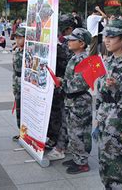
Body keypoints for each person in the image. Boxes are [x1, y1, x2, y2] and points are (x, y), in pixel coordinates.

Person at [92, 19, 122, 189]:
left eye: (111, 37)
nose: (106, 40)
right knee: (104, 165)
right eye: (105, 37)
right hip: (104, 118)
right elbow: (101, 94)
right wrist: (97, 117)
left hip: (117, 120)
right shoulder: (108, 61)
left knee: (115, 168)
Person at [51, 28, 93, 174]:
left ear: (81, 43)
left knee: (79, 132)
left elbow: (79, 84)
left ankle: (82, 162)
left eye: (73, 40)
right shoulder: (75, 57)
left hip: (79, 101)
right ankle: (77, 157)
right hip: (72, 100)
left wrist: (61, 82)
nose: (69, 42)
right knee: (72, 131)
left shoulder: (84, 60)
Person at [46, 15, 77, 150]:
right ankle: (54, 137)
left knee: (62, 115)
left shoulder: (69, 44)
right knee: (55, 113)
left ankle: (61, 142)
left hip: (65, 85)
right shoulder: (57, 42)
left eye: (62, 30)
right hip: (55, 83)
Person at [11, 27, 25, 141]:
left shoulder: (30, 51)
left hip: (25, 82)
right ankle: (22, 132)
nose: (17, 40)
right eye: (16, 37)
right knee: (19, 108)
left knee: (26, 108)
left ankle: (27, 133)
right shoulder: (16, 50)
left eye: (20, 37)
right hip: (16, 81)